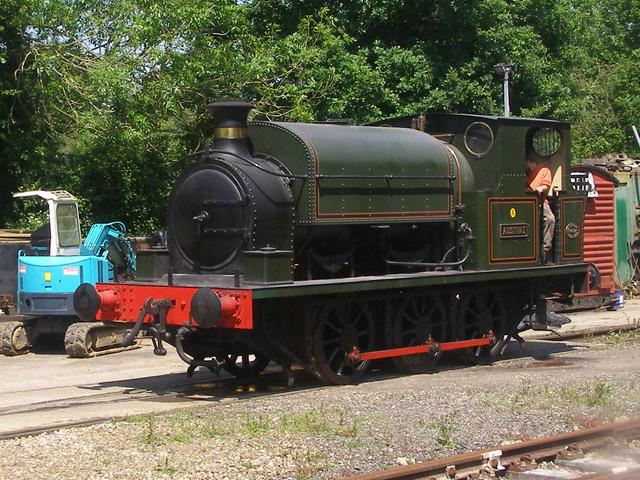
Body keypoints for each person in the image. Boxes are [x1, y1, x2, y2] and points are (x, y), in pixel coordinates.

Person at [525, 159, 555, 261]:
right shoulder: (525, 174)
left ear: (528, 161)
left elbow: (546, 185)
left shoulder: (544, 170)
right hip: (527, 202)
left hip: (540, 201)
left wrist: (541, 188)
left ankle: (545, 248)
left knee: (550, 219)